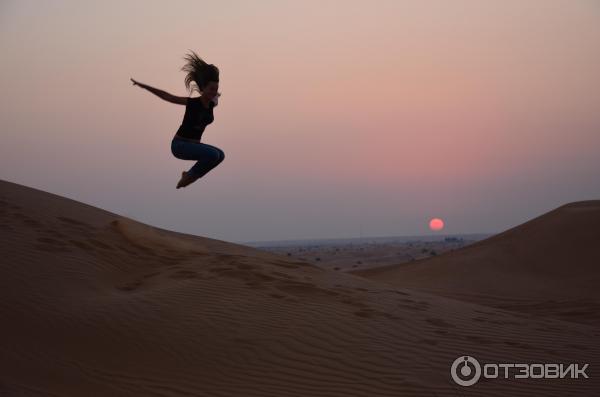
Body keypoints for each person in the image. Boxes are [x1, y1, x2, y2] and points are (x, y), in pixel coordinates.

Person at [131, 51, 224, 189]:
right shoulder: (192, 103)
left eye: (215, 90)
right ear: (203, 88)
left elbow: (216, 94)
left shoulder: (212, 103)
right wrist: (144, 86)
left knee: (220, 155)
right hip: (180, 146)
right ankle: (189, 177)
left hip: (194, 146)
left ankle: (189, 175)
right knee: (213, 154)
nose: (213, 93)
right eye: (211, 89)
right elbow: (168, 97)